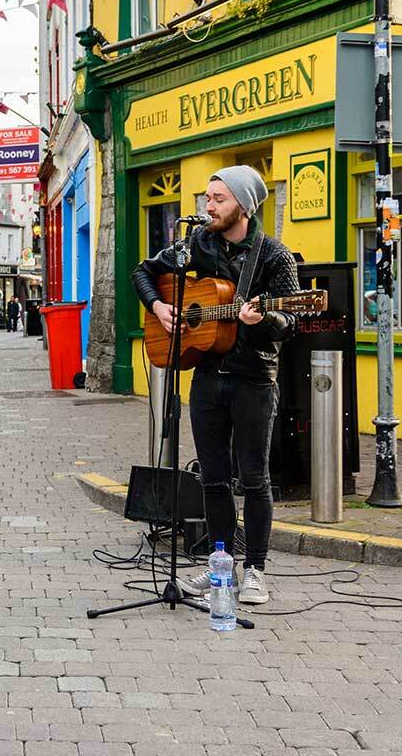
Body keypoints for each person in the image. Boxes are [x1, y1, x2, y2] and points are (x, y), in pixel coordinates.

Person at [132, 165, 299, 606]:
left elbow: (291, 323)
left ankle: (256, 570)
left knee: (254, 478)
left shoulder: (274, 256)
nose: (208, 206)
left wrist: (262, 320)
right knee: (213, 480)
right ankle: (219, 564)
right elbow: (143, 272)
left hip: (253, 380)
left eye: (218, 199)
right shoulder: (197, 245)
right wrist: (161, 307)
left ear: (243, 205)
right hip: (206, 377)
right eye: (207, 197)